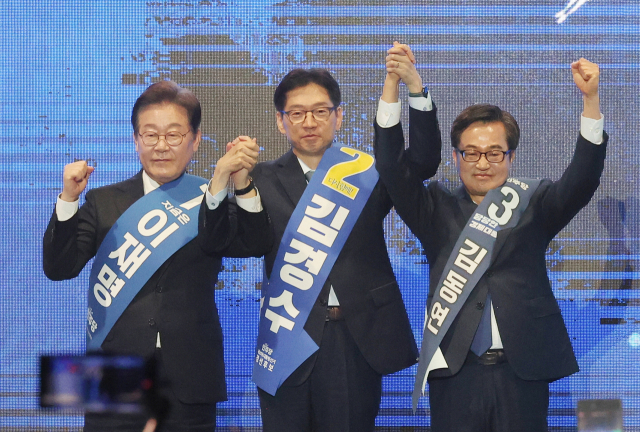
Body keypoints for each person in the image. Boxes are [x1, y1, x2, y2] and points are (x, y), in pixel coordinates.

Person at [201, 44, 441, 431]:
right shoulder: (260, 178)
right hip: (287, 335)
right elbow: (227, 242)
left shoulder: (368, 171)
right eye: (297, 113)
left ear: (338, 116)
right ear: (281, 122)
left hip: (355, 336)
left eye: (320, 111)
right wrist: (221, 181)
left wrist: (413, 88)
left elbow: (423, 162)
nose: (309, 122)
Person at [374, 56, 607, 431]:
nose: (482, 163)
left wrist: (590, 101)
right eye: (471, 152)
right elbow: (390, 167)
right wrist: (403, 88)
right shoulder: (433, 207)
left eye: (494, 152)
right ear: (456, 156)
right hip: (455, 370)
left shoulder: (534, 202)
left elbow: (583, 179)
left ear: (510, 156)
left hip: (523, 370)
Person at [43, 80, 271, 431]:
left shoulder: (209, 199)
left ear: (195, 140)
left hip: (191, 376)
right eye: (150, 135)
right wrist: (68, 199)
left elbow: (254, 244)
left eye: (174, 135)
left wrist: (236, 182)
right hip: (113, 374)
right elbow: (59, 268)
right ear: (136, 140)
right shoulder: (104, 201)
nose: (161, 146)